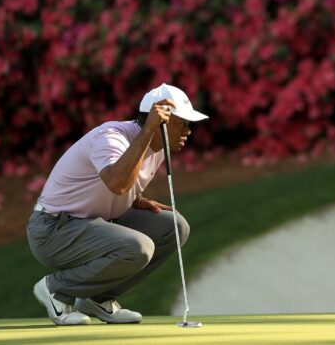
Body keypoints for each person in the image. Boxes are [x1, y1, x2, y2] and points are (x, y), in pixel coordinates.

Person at [27, 83, 208, 325]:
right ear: (159, 120)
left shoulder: (157, 146)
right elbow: (117, 182)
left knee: (174, 226)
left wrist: (134, 201)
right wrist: (148, 131)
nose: (188, 131)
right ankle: (56, 290)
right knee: (138, 247)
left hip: (89, 223)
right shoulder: (111, 137)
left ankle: (98, 298)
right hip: (52, 230)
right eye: (182, 123)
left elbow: (119, 188)